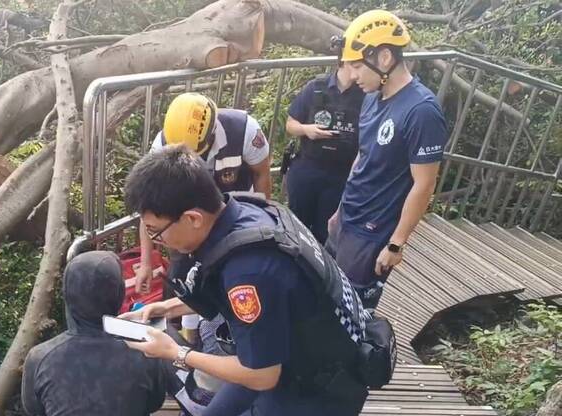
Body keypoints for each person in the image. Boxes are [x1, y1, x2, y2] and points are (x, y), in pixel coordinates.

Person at [120, 146, 369, 416]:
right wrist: (165, 307)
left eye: (156, 232)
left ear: (192, 218)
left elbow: (262, 375)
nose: (158, 240)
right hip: (287, 352)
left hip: (319, 389)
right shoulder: (240, 210)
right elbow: (232, 293)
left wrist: (177, 353)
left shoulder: (249, 272)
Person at [327, 10, 449, 310]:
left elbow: (424, 184)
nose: (352, 75)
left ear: (383, 58)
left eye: (356, 66)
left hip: (373, 232)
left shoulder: (421, 111)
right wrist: (340, 211)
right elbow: (363, 155)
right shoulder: (371, 97)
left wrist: (396, 244)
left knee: (351, 307)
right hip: (348, 217)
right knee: (326, 288)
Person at [21, 251, 168, 416]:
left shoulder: (40, 356)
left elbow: (32, 407)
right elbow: (154, 404)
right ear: (118, 295)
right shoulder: (145, 349)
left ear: (67, 295)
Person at [135, 92, 272, 300]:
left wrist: (263, 219)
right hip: (187, 228)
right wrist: (146, 263)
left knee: (235, 284)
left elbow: (261, 173)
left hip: (235, 220)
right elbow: (151, 211)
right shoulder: (162, 148)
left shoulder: (244, 130)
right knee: (180, 284)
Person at [285, 61, 365, 244]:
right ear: (345, 62)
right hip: (308, 166)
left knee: (327, 231)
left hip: (341, 174)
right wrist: (307, 130)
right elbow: (290, 124)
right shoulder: (315, 87)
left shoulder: (367, 94)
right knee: (297, 226)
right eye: (358, 64)